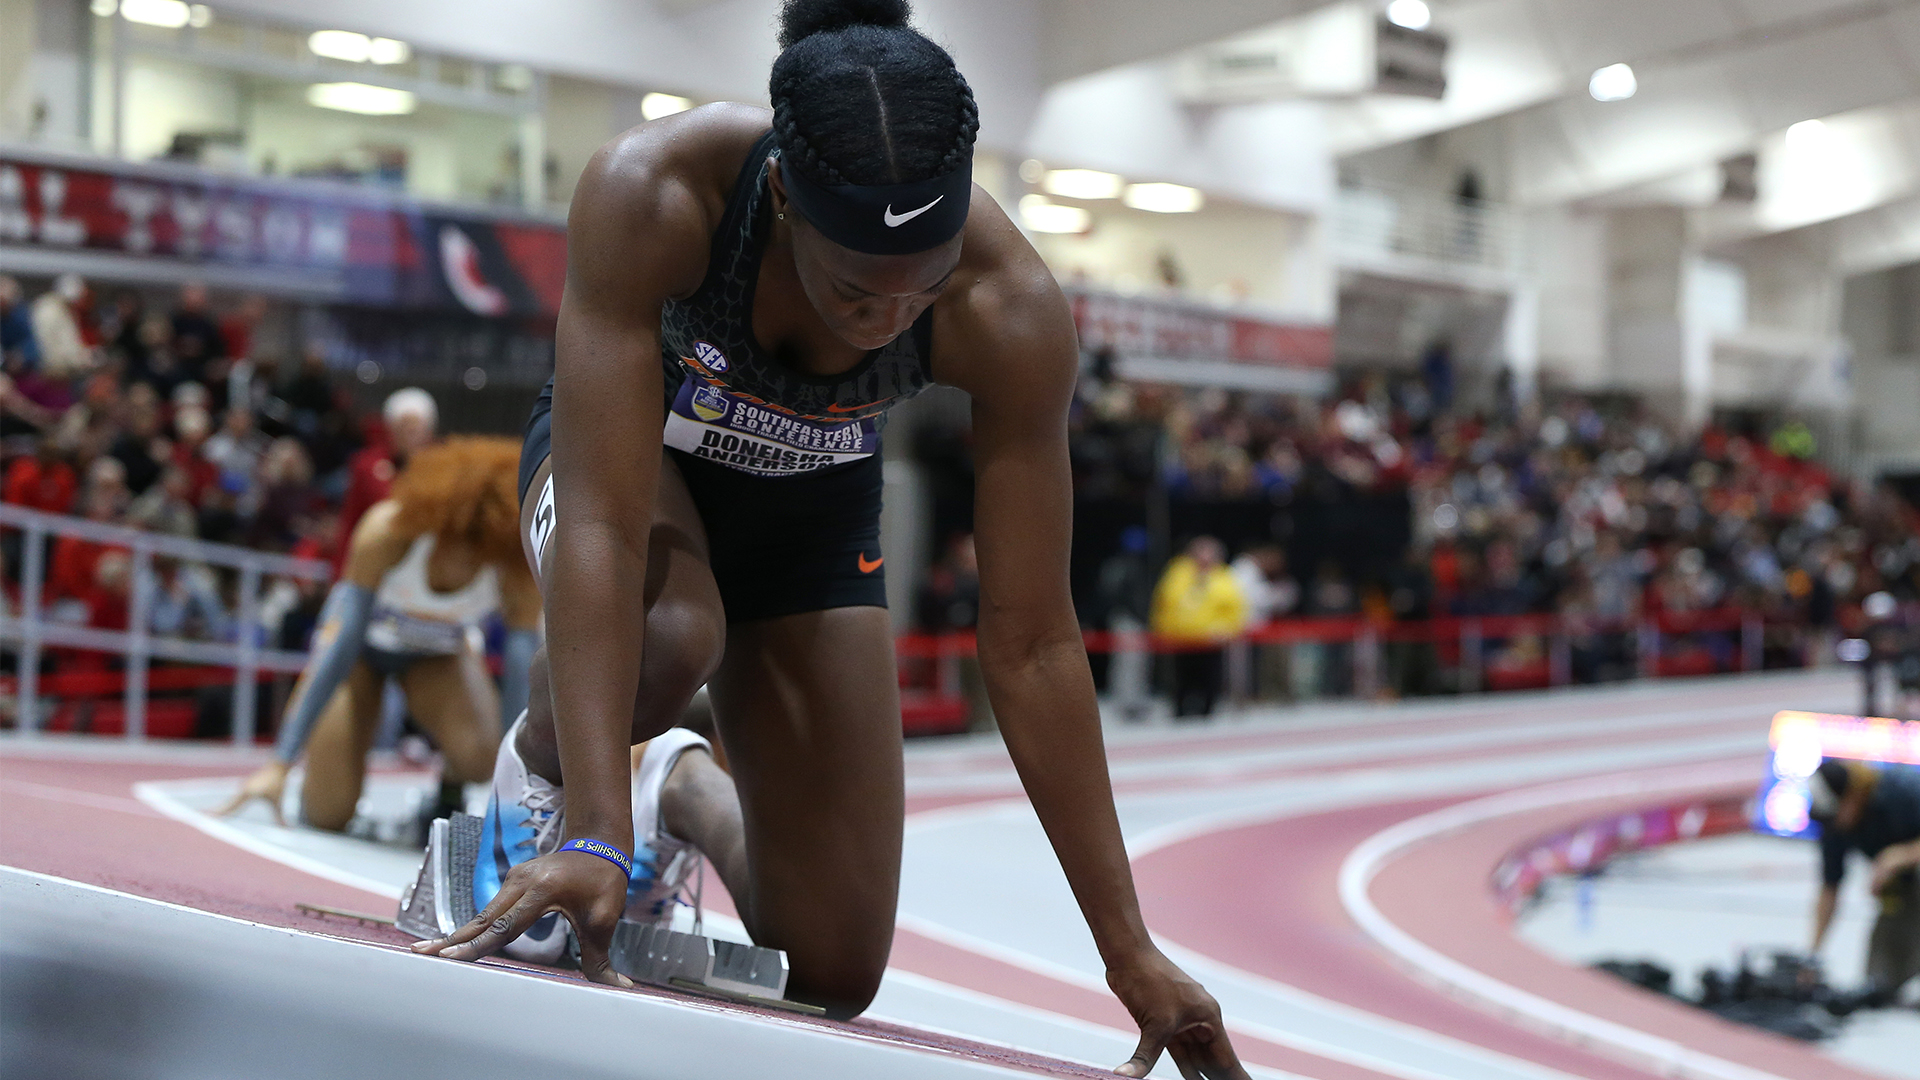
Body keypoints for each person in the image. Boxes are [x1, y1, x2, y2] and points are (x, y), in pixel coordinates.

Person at [414, 5, 1249, 1077]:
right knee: (672, 633)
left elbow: (1035, 641)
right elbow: (607, 532)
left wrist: (1127, 949)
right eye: (857, 287)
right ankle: (536, 785)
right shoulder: (654, 193)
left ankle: (676, 783)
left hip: (812, 510)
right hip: (632, 463)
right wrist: (591, 828)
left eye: (925, 284)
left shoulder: (1012, 306)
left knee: (832, 967)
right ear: (781, 198)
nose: (890, 318)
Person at [220, 438, 541, 834]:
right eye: (459, 542)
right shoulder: (388, 530)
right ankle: (317, 780)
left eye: (479, 549)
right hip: (360, 655)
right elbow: (340, 643)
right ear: (441, 521)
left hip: (436, 659)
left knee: (479, 753)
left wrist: (511, 787)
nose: (463, 562)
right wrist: (280, 762)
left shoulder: (513, 565)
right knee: (328, 812)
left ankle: (448, 794)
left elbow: (521, 669)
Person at [1808, 759, 1920, 1002]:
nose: (1835, 822)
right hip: (1902, 885)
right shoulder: (1836, 823)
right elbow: (1830, 889)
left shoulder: (1901, 792)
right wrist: (1812, 957)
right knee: (1879, 986)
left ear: (1852, 797)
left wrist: (1901, 855)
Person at [1152, 536, 1249, 719]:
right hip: (1181, 640)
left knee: (1209, 679)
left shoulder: (1224, 577)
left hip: (1211, 642)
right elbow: (1164, 603)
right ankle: (1180, 712)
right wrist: (1163, 630)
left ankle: (1207, 713)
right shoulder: (1178, 573)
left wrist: (1228, 629)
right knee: (1181, 679)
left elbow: (1236, 609)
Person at [337, 387, 438, 562]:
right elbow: (352, 519)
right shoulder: (367, 465)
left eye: (416, 428)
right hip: (376, 558)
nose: (410, 434)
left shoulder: (442, 470)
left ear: (429, 430)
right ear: (391, 429)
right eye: (404, 427)